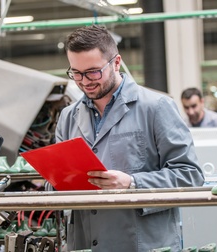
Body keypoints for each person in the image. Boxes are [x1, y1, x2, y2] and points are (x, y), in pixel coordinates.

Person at [56, 25, 204, 252]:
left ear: (116, 63)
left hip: (142, 244)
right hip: (84, 242)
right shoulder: (68, 117)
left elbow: (190, 175)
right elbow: (56, 181)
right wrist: (55, 181)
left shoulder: (156, 107)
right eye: (76, 73)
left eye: (93, 72)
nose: (84, 81)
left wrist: (133, 183)